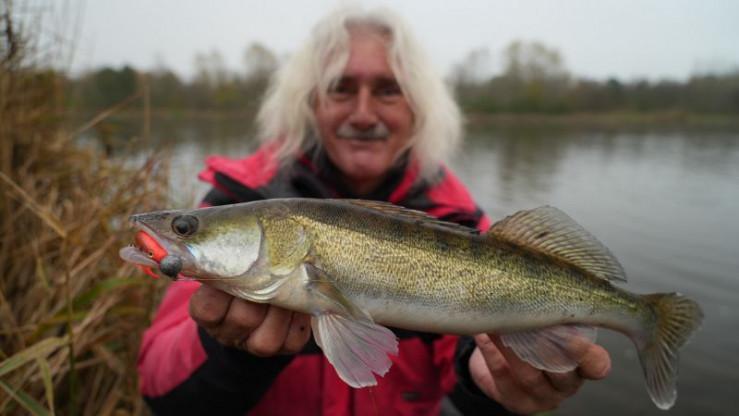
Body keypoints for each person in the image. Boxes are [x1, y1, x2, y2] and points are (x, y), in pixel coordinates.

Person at [137, 5, 611, 416]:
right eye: (340, 89)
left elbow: (466, 354)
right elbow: (159, 390)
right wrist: (232, 352)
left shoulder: (460, 221)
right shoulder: (235, 198)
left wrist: (487, 384)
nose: (363, 114)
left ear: (418, 107)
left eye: (387, 90)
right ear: (310, 103)